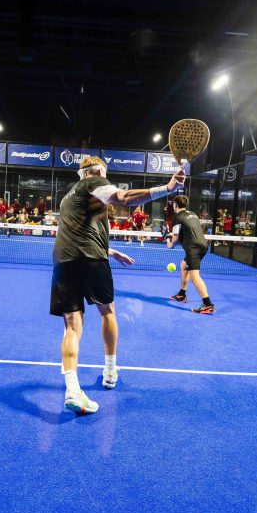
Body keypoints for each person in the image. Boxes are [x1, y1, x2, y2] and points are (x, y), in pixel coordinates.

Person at [52, 155, 185, 415]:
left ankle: (72, 389)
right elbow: (124, 198)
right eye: (105, 171)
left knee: (71, 326)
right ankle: (111, 371)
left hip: (62, 262)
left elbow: (75, 234)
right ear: (98, 171)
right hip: (91, 260)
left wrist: (111, 251)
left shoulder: (69, 196)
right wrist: (168, 188)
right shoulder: (95, 182)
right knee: (107, 311)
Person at [167, 195, 214, 314]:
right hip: (203, 245)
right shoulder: (193, 214)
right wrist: (174, 236)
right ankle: (181, 295)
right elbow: (188, 230)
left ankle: (208, 305)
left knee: (195, 277)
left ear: (175, 205)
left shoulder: (177, 216)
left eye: (173, 204)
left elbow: (175, 239)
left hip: (193, 248)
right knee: (184, 265)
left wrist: (169, 242)